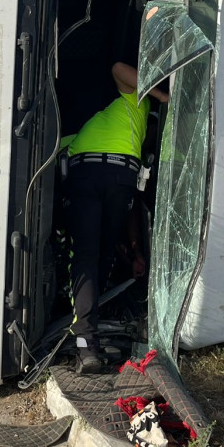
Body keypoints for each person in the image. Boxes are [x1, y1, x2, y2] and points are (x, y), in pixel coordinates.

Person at [63, 62, 168, 373]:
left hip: (108, 176)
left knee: (93, 256)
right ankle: (86, 341)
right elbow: (118, 68)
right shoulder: (135, 102)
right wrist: (161, 96)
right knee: (93, 255)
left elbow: (134, 210)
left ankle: (87, 343)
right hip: (94, 172)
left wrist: (135, 252)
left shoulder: (135, 138)